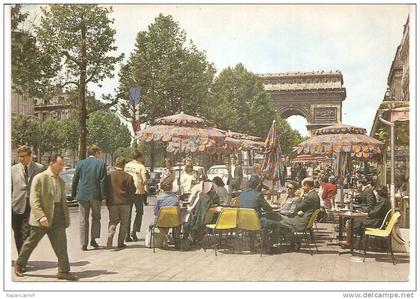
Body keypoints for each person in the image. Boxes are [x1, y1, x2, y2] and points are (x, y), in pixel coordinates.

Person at [14, 154, 78, 281]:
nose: (62, 167)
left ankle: (64, 271)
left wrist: (66, 218)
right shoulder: (40, 178)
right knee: (31, 243)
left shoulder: (60, 181)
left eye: (62, 164)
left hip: (58, 216)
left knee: (61, 245)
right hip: (42, 217)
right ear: (51, 163)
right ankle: (19, 264)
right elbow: (34, 200)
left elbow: (63, 201)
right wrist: (41, 216)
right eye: (60, 164)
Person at [72, 145, 107, 251]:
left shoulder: (80, 163)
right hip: (96, 196)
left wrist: (74, 194)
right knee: (96, 217)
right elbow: (102, 182)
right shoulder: (101, 164)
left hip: (82, 195)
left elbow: (75, 179)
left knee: (83, 219)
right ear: (96, 153)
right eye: (99, 153)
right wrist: (104, 196)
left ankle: (84, 243)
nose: (100, 155)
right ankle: (93, 239)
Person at [11, 146, 44, 255]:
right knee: (17, 233)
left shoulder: (39, 168)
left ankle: (22, 260)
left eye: (24, 156)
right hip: (16, 205)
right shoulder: (12, 169)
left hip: (31, 206)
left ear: (30, 156)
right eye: (19, 156)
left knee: (26, 234)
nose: (21, 159)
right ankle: (22, 257)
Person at [278, 178, 321, 250]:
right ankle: (292, 241)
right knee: (282, 219)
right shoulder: (314, 195)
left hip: (302, 221)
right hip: (306, 220)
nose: (301, 188)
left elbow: (297, 208)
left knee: (280, 219)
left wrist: (301, 196)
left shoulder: (310, 197)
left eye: (302, 186)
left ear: (307, 185)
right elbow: (302, 208)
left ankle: (293, 241)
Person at [106, 157, 136, 249]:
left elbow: (106, 189)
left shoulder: (109, 176)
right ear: (124, 165)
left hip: (112, 202)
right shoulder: (128, 176)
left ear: (115, 164)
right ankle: (120, 243)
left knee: (113, 221)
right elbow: (133, 190)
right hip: (125, 203)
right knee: (124, 223)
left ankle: (110, 234)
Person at [339, 178, 377, 247]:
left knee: (349, 221)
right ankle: (349, 239)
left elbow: (370, 206)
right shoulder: (365, 191)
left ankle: (349, 241)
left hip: (368, 217)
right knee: (346, 218)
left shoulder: (367, 191)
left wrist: (361, 211)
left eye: (357, 184)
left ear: (361, 184)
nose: (356, 186)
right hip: (364, 213)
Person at [124, 149, 148, 242]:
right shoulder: (141, 166)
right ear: (139, 157)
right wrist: (143, 184)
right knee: (139, 212)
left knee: (128, 213)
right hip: (138, 192)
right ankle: (134, 232)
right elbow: (145, 180)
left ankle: (126, 234)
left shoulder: (127, 165)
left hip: (128, 192)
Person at [151, 176, 179, 245]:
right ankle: (167, 237)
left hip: (161, 221)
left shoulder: (159, 198)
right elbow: (178, 210)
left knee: (156, 223)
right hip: (173, 221)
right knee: (168, 220)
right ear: (172, 187)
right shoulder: (176, 198)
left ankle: (166, 237)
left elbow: (155, 212)